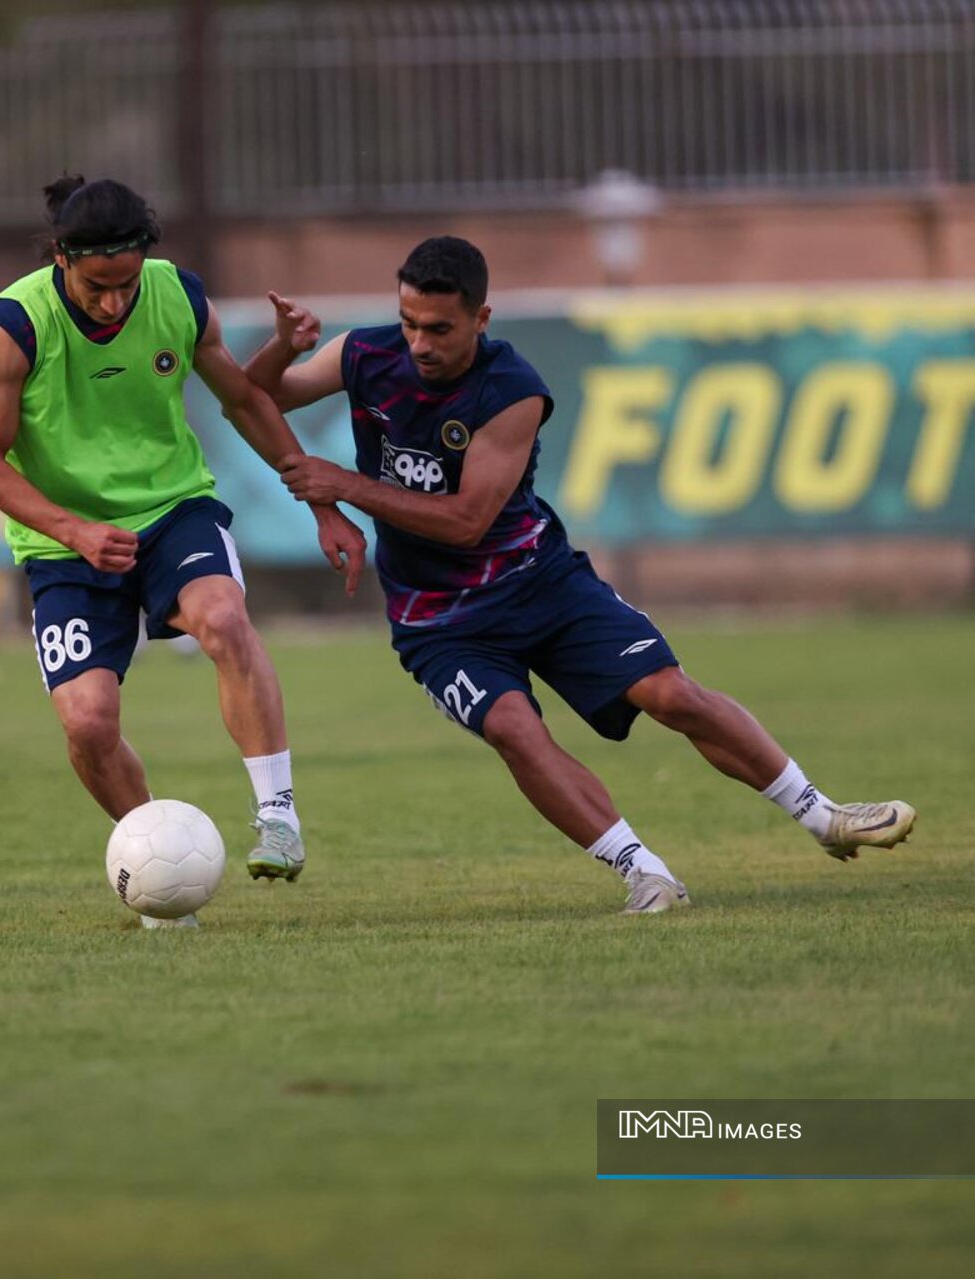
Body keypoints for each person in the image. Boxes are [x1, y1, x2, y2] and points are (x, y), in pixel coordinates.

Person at [245, 236, 916, 913]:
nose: (419, 342)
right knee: (513, 730)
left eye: (440, 328)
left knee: (671, 694)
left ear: (481, 319)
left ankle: (820, 814)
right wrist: (282, 347)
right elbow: (261, 392)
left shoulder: (512, 389)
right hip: (437, 621)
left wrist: (347, 486)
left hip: (543, 585)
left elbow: (467, 520)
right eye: (410, 322)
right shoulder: (367, 352)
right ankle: (642, 870)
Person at [0, 176, 365, 922]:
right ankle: (154, 857)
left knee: (223, 619)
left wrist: (323, 505)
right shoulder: (15, 323)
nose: (115, 302)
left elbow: (244, 398)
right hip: (64, 543)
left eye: (126, 283)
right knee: (87, 723)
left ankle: (277, 812)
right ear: (61, 258)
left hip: (173, 508)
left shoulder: (176, 294)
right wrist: (73, 530)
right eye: (96, 286)